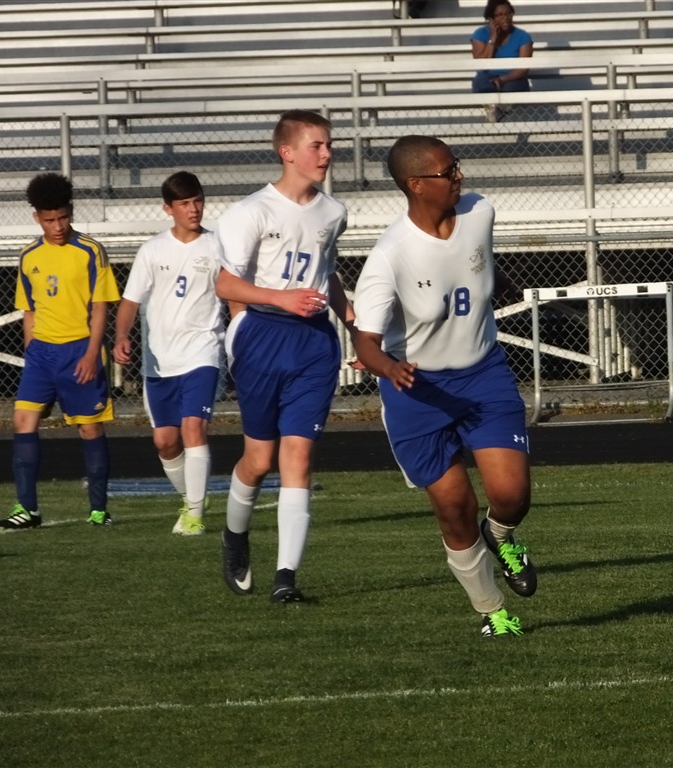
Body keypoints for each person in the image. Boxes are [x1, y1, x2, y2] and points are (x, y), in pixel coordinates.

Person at [351, 135, 537, 638]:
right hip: (417, 391)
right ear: (416, 185)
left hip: (483, 374)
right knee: (455, 508)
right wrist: (389, 369)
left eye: (456, 165)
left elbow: (474, 262)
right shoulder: (389, 255)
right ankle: (493, 612)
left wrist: (497, 283)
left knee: (512, 495)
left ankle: (502, 537)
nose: (460, 176)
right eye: (447, 171)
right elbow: (365, 341)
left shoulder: (480, 211)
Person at [214, 109, 357, 603]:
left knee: (297, 454)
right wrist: (280, 298)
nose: (327, 154)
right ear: (287, 152)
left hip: (314, 343)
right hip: (262, 336)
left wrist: (356, 329)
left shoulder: (333, 212)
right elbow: (226, 284)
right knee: (258, 460)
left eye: (329, 144)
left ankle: (285, 578)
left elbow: (327, 274)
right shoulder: (249, 212)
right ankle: (234, 537)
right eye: (317, 145)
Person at [0, 173, 120, 530]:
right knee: (22, 421)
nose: (58, 226)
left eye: (63, 217)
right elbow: (29, 310)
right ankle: (27, 509)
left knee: (89, 430)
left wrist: (92, 354)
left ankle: (99, 510)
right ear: (37, 217)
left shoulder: (90, 251)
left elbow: (100, 307)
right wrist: (31, 352)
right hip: (41, 355)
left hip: (80, 350)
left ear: (70, 212)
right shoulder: (29, 255)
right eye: (49, 220)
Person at [113, 171, 227, 537]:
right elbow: (130, 302)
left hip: (202, 352)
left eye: (198, 201)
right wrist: (121, 336)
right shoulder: (152, 250)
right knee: (165, 441)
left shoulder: (217, 246)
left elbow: (235, 293)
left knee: (193, 427)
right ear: (168, 209)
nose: (194, 209)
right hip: (159, 360)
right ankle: (193, 498)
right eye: (185, 203)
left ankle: (194, 515)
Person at [470, 0, 533, 122]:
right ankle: (494, 110)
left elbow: (523, 68)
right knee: (482, 82)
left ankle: (501, 113)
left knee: (512, 87)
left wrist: (503, 79)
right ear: (491, 18)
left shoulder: (523, 36)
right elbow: (481, 63)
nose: (505, 18)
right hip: (487, 76)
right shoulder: (480, 34)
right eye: (499, 15)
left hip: (513, 77)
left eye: (508, 13)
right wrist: (493, 38)